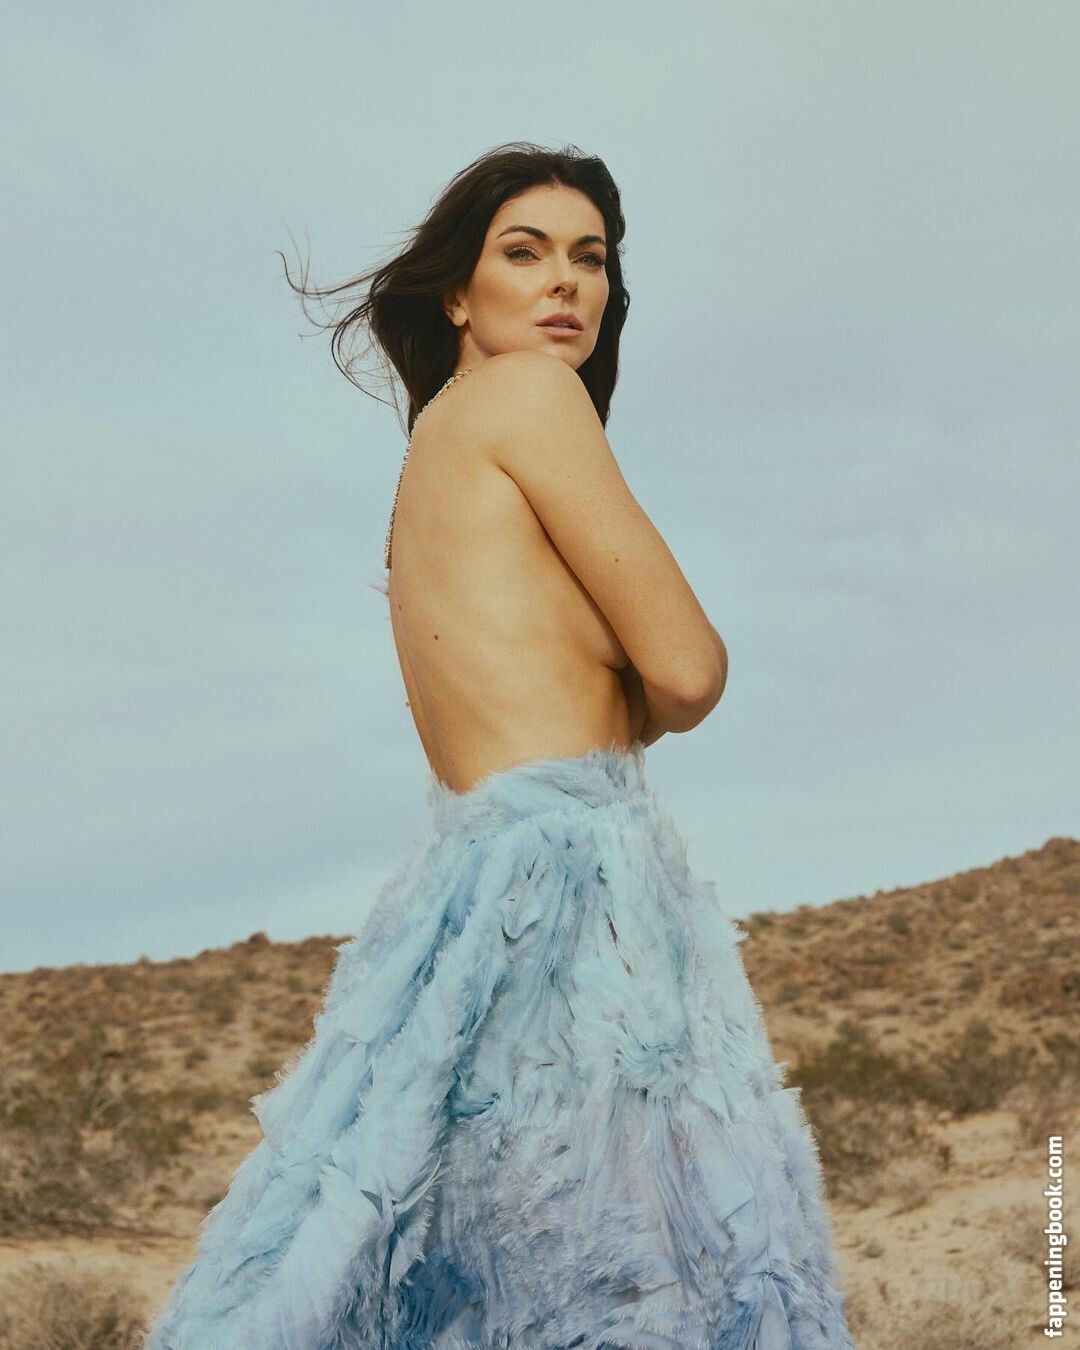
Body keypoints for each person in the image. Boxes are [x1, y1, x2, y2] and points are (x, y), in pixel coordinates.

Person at [146, 142, 855, 1349]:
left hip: (472, 885)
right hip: (575, 885)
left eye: (592, 258)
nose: (567, 283)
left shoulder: (429, 456)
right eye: (525, 253)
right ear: (457, 296)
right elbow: (690, 668)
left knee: (464, 1262)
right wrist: (632, 681)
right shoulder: (531, 396)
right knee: (627, 1268)